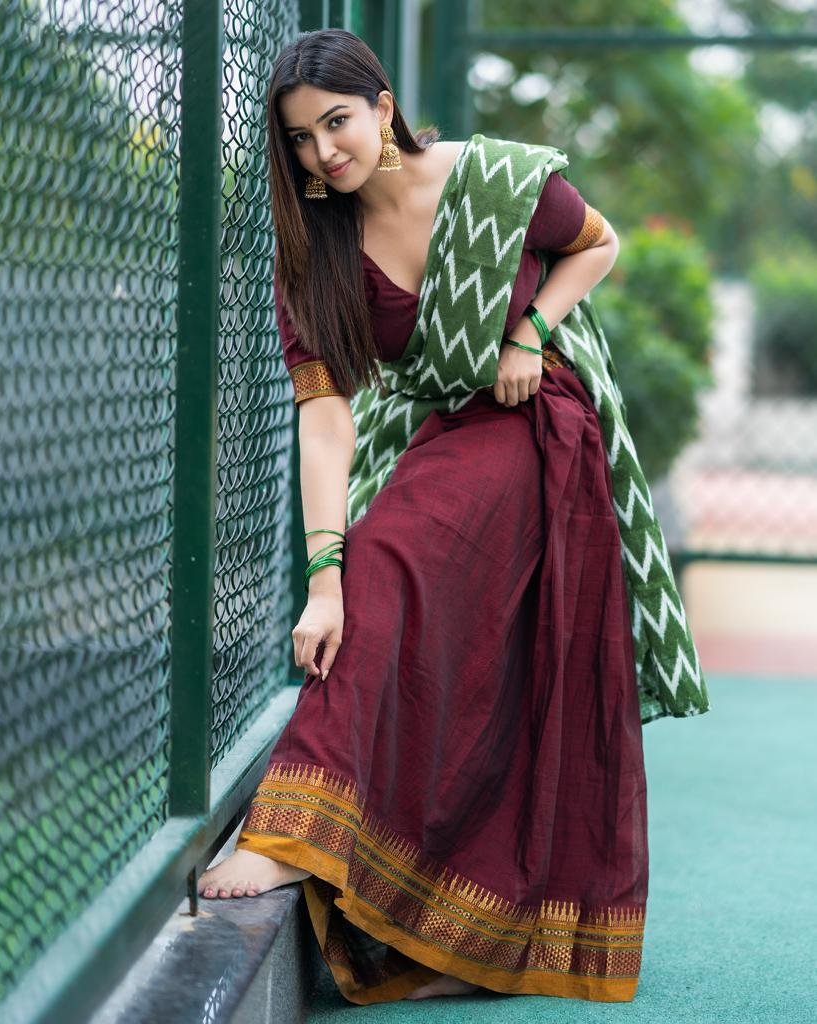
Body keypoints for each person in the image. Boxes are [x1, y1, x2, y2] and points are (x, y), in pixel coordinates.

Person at [198, 27, 709, 1006]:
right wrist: (320, 576)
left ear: (384, 107)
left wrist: (530, 332)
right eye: (299, 139)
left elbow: (598, 242)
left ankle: (293, 839)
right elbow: (325, 421)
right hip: (446, 430)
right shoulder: (315, 252)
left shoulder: (495, 181)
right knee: (403, 606)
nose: (322, 153)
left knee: (393, 561)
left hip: (537, 418)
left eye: (336, 123)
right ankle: (442, 918)